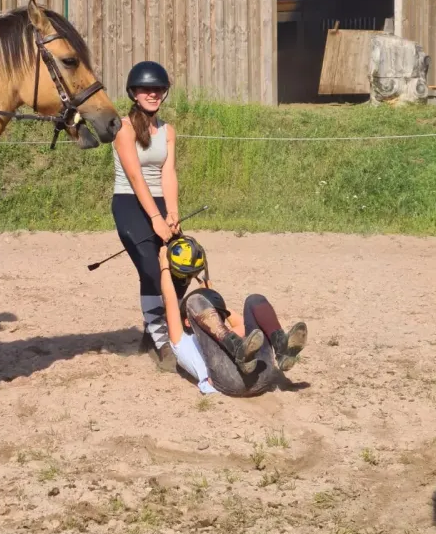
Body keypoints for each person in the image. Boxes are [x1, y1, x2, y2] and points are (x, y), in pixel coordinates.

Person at [159, 236, 308, 395]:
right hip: (229, 380)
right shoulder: (182, 343)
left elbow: (244, 326)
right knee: (193, 300)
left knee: (254, 300)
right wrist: (164, 267)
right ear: (188, 322)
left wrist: (212, 298)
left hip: (261, 373)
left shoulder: (227, 335)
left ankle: (281, 347)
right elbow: (170, 300)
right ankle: (239, 351)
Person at [112, 61, 183, 371]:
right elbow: (136, 177)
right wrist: (154, 218)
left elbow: (168, 173)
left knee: (180, 267)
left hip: (159, 203)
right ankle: (163, 342)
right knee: (151, 269)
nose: (152, 93)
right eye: (146, 89)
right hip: (129, 202)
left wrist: (172, 214)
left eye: (157, 89)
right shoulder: (122, 127)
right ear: (134, 93)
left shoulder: (168, 131)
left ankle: (153, 327)